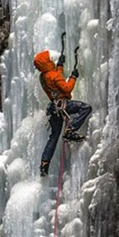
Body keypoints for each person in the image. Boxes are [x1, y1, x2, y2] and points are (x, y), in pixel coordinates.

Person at [33, 49, 92, 177]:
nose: (52, 61)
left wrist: (59, 65)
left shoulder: (43, 76)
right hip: (63, 104)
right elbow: (67, 88)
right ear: (47, 63)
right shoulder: (53, 75)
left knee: (54, 136)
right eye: (51, 60)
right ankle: (70, 130)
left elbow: (54, 78)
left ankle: (44, 163)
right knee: (86, 108)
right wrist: (73, 77)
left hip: (53, 109)